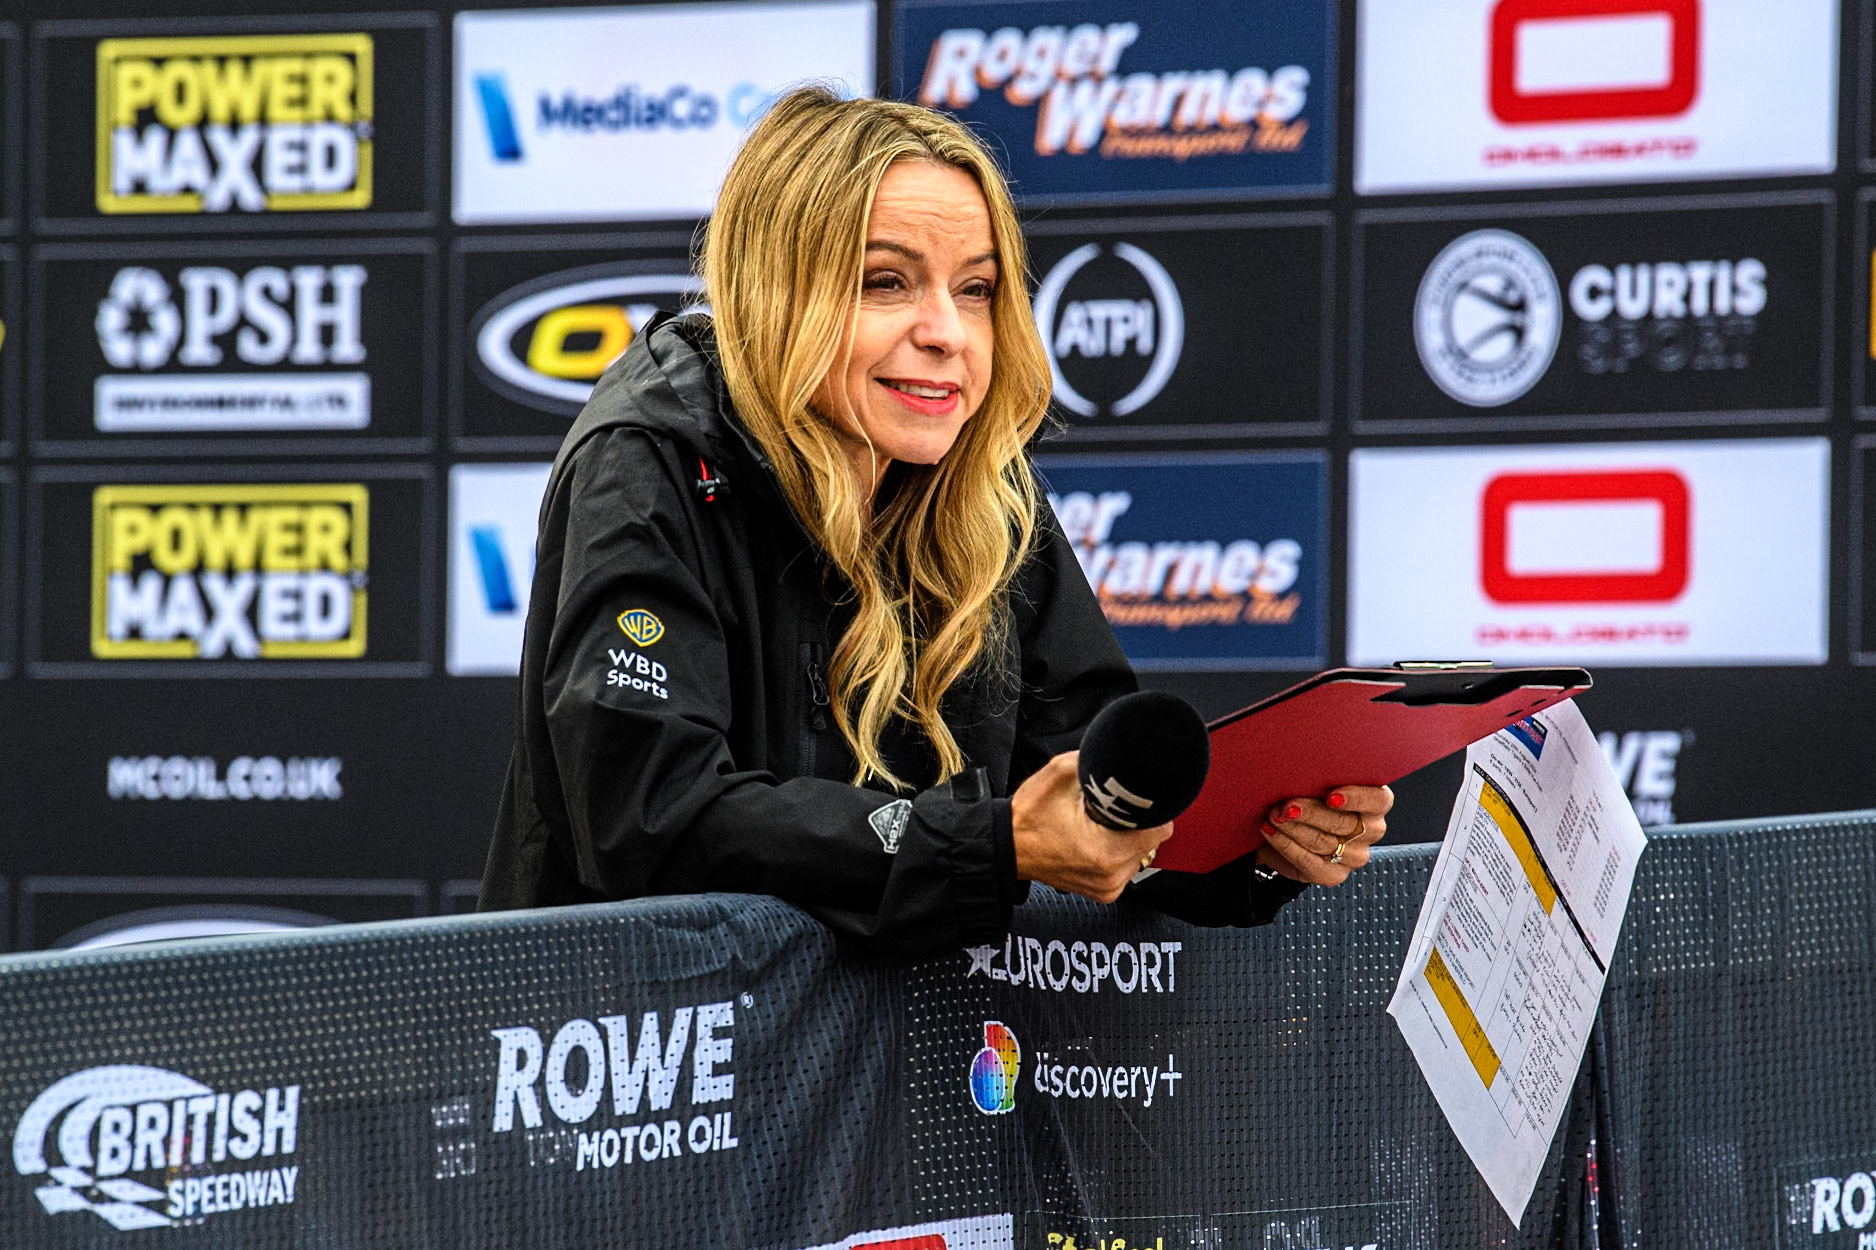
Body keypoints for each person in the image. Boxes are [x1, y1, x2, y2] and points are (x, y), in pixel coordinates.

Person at [478, 87, 1392, 953]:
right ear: (774, 291)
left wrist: (1257, 847)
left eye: (977, 290)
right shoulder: (653, 462)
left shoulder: (984, 493)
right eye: (886, 283)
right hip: (642, 1084)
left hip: (877, 1081)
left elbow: (1078, 786)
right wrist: (989, 845)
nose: (946, 332)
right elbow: (651, 814)